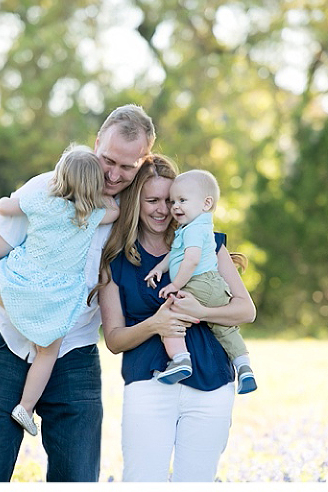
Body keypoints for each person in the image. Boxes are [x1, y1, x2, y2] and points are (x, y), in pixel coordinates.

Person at [0, 104, 155, 482]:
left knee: (78, 478)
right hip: (4, 344)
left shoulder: (131, 211)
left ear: (142, 162)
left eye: (127, 168)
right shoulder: (48, 189)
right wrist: (32, 316)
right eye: (108, 160)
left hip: (74, 352)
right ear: (96, 143)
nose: (114, 175)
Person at [97, 156, 257, 482]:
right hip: (149, 384)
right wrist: (154, 324)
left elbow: (245, 310)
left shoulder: (207, 243)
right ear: (134, 203)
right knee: (142, 481)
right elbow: (114, 339)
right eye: (152, 200)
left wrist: (204, 313)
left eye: (170, 201)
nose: (162, 210)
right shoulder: (115, 260)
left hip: (211, 383)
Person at [0, 146, 119, 437]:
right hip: (55, 297)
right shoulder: (93, 213)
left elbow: (4, 207)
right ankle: (26, 406)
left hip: (24, 276)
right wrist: (101, 196)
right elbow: (116, 211)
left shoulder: (41, 199)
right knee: (48, 352)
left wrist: (8, 200)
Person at [143, 169, 257, 391]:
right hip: (215, 287)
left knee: (171, 317)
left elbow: (191, 260)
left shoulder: (194, 230)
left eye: (182, 200)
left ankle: (180, 359)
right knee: (226, 329)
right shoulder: (196, 227)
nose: (175, 206)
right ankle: (244, 367)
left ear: (206, 203)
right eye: (173, 201)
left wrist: (175, 285)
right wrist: (159, 268)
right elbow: (175, 254)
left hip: (198, 283)